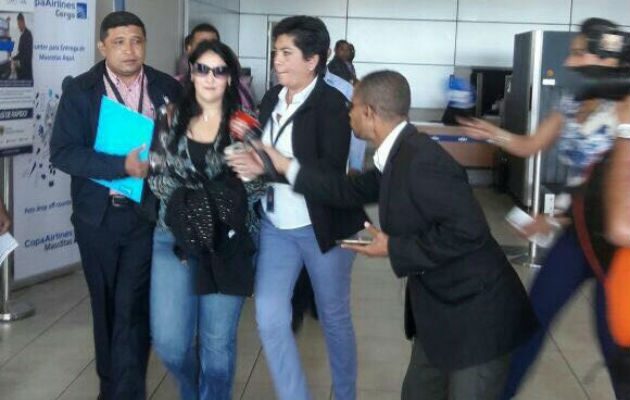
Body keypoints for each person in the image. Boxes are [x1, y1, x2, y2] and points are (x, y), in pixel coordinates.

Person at [228, 70, 537, 400]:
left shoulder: (422, 161)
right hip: (440, 314)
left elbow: (469, 233)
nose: (348, 114)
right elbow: (345, 190)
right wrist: (284, 165)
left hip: (477, 317)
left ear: (369, 113)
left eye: (352, 107)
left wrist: (394, 247)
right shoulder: (396, 155)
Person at [457, 18, 630, 399]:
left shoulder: (626, 110)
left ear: (608, 58)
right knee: (531, 320)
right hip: (576, 235)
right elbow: (531, 145)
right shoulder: (573, 102)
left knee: (614, 341)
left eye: (579, 52)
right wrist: (493, 133)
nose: (569, 61)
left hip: (615, 247)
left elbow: (612, 187)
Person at [231, 15, 366, 400]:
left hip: (322, 226)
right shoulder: (272, 97)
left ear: (313, 60)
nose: (277, 60)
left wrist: (269, 167)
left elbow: (327, 175)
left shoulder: (333, 106)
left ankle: (345, 395)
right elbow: (263, 150)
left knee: (334, 318)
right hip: (277, 226)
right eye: (276, 52)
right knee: (269, 317)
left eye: (286, 53)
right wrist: (249, 157)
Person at [49, 11, 181, 400]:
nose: (130, 50)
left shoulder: (166, 88)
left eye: (137, 41)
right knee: (105, 304)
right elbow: (63, 152)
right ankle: (111, 385)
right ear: (102, 46)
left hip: (145, 215)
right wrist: (119, 166)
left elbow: (180, 145)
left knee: (132, 305)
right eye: (119, 42)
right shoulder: (81, 90)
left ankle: (127, 390)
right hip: (98, 218)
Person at [148, 39, 264, 400]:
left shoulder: (244, 124)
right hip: (174, 238)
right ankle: (191, 389)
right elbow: (156, 176)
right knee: (170, 343)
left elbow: (257, 184)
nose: (210, 78)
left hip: (227, 243)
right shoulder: (169, 117)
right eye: (203, 69)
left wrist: (241, 182)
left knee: (216, 346)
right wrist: (197, 206)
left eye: (219, 71)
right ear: (191, 73)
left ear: (230, 78)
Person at [12, 13, 32, 80]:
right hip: (23, 71)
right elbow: (21, 53)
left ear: (22, 22)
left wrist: (16, 63)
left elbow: (27, 56)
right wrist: (13, 59)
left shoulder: (27, 35)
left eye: (18, 24)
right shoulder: (23, 35)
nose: (18, 26)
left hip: (25, 73)